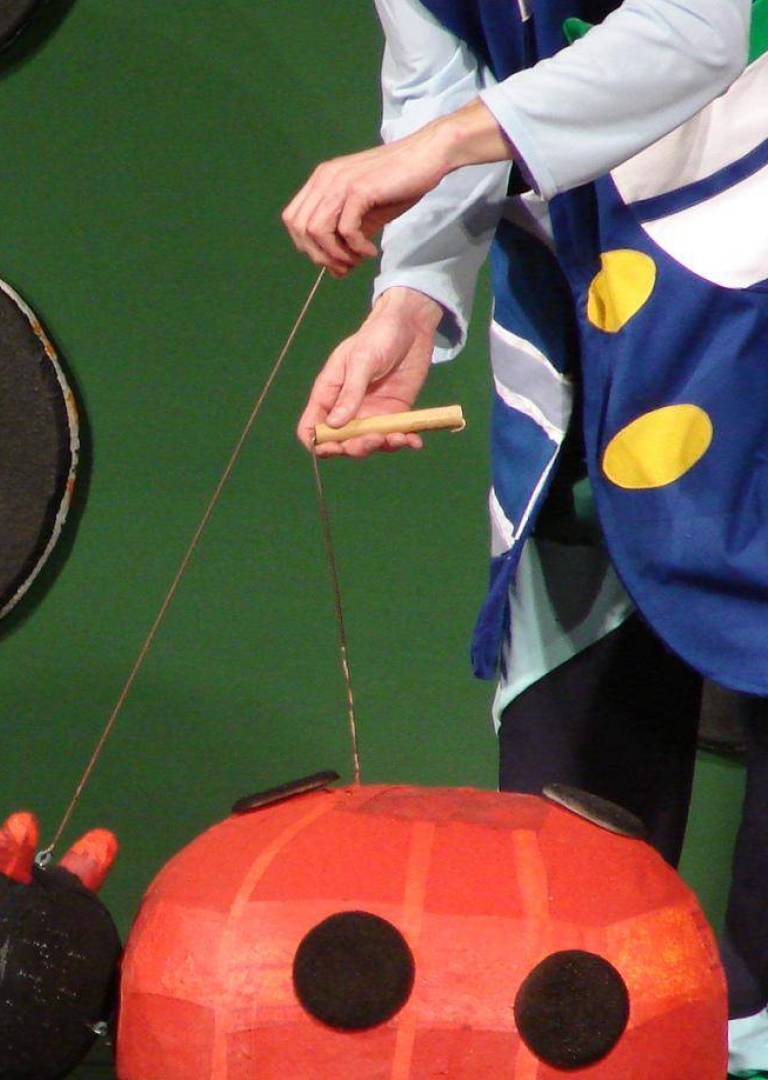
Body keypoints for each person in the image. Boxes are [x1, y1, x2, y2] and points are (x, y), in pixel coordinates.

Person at [282, 0, 768, 1073]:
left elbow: (700, 28)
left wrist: (443, 143)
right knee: (568, 838)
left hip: (744, 286)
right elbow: (436, 85)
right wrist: (410, 298)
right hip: (578, 315)